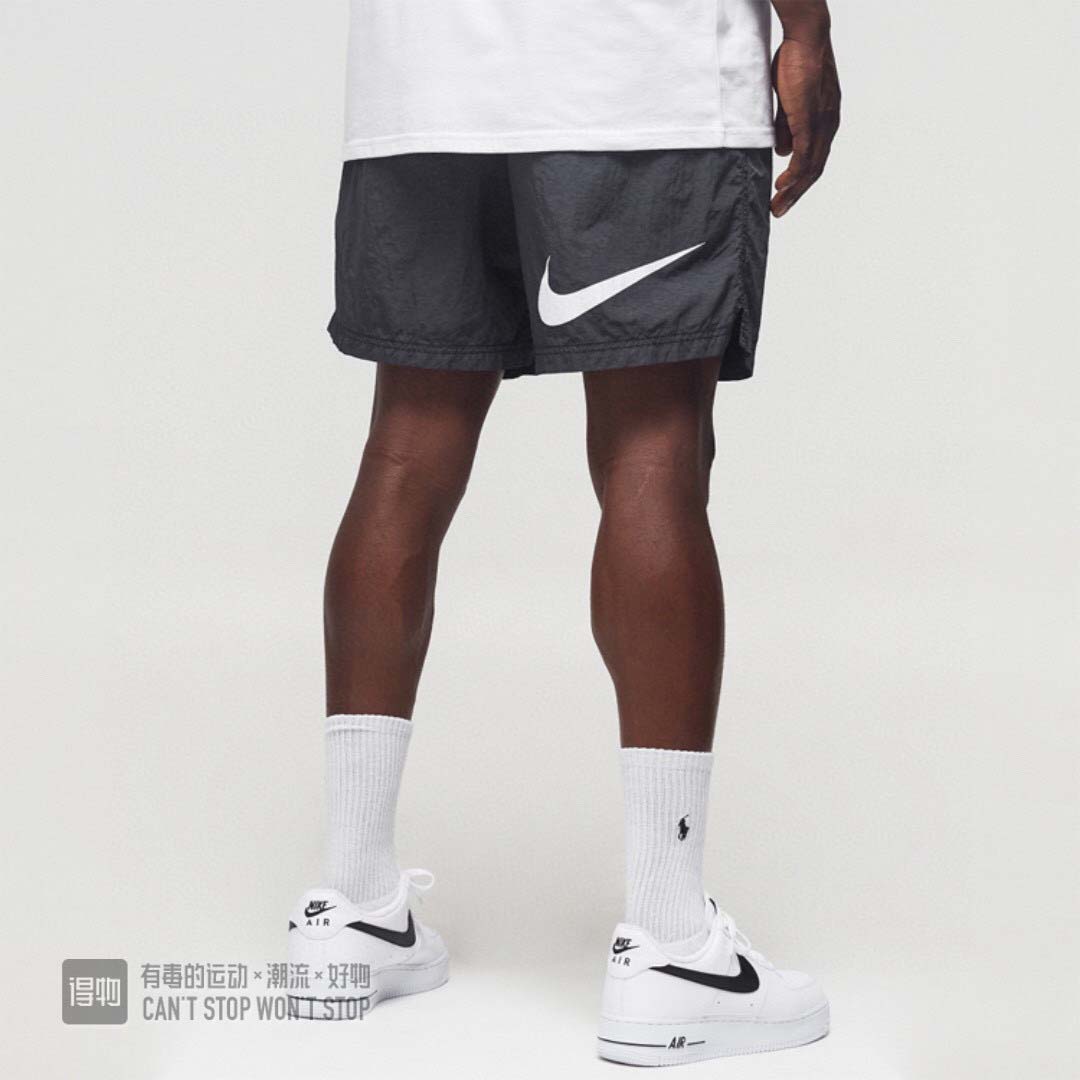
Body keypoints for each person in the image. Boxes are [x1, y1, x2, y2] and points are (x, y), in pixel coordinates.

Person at [287, 0, 840, 1064]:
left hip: (422, 82)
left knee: (404, 454)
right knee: (652, 456)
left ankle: (350, 909)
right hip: (632, 76)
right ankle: (672, 945)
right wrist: (807, 30)